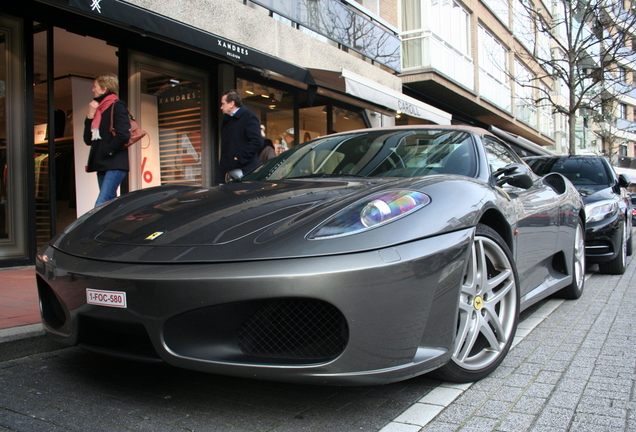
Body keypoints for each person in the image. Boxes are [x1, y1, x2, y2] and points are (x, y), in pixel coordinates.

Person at [83, 73, 130, 207]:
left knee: (101, 204)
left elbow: (123, 134)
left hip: (114, 163)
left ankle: (91, 228)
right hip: (102, 164)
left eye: (95, 86)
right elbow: (88, 140)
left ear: (104, 89)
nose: (93, 89)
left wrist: (107, 151)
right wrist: (90, 116)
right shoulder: (98, 110)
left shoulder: (117, 105)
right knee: (109, 205)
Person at [217, 89, 264, 183]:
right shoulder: (227, 119)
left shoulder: (248, 117)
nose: (221, 107)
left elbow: (257, 141)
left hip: (244, 170)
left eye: (223, 103)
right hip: (229, 170)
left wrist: (239, 157)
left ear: (231, 104)